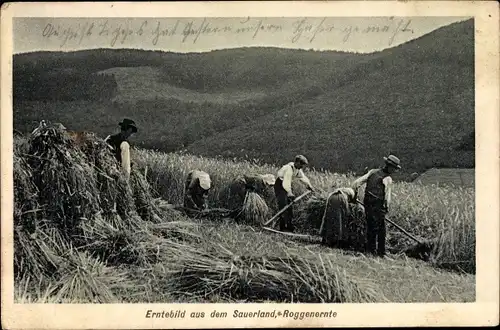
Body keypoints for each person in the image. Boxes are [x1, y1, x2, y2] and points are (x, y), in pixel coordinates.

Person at [351, 154, 401, 257]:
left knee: (371, 227)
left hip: (368, 204)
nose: (394, 170)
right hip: (378, 206)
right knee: (381, 230)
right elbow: (387, 197)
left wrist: (355, 196)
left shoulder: (372, 172)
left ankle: (371, 251)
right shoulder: (387, 179)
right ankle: (380, 253)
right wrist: (386, 208)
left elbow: (356, 183)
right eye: (394, 168)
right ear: (389, 167)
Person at [274, 155, 315, 232]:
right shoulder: (289, 169)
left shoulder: (297, 169)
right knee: (283, 206)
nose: (302, 166)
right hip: (280, 185)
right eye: (301, 164)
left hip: (287, 186)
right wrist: (289, 192)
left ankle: (289, 226)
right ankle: (282, 227)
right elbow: (286, 181)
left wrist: (309, 186)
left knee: (289, 207)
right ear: (297, 162)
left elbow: (303, 178)